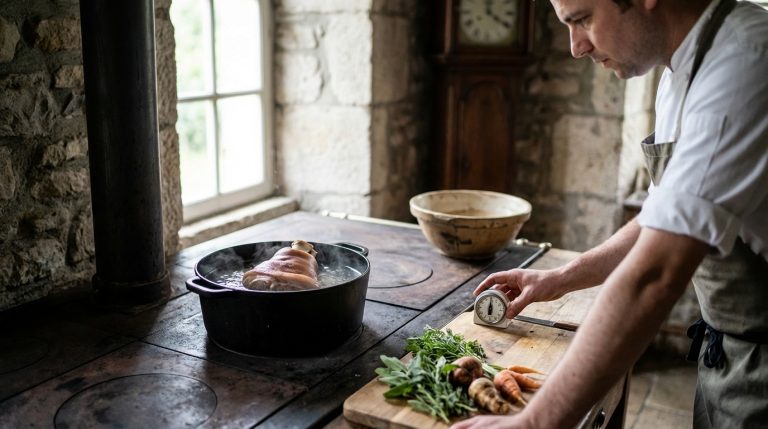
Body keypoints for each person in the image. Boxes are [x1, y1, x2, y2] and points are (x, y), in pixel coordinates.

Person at [450, 0, 768, 427]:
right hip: (727, 354)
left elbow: (655, 273)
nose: (576, 47)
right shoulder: (679, 72)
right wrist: (561, 278)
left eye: (583, 19)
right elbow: (660, 216)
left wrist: (534, 422)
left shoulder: (746, 63)